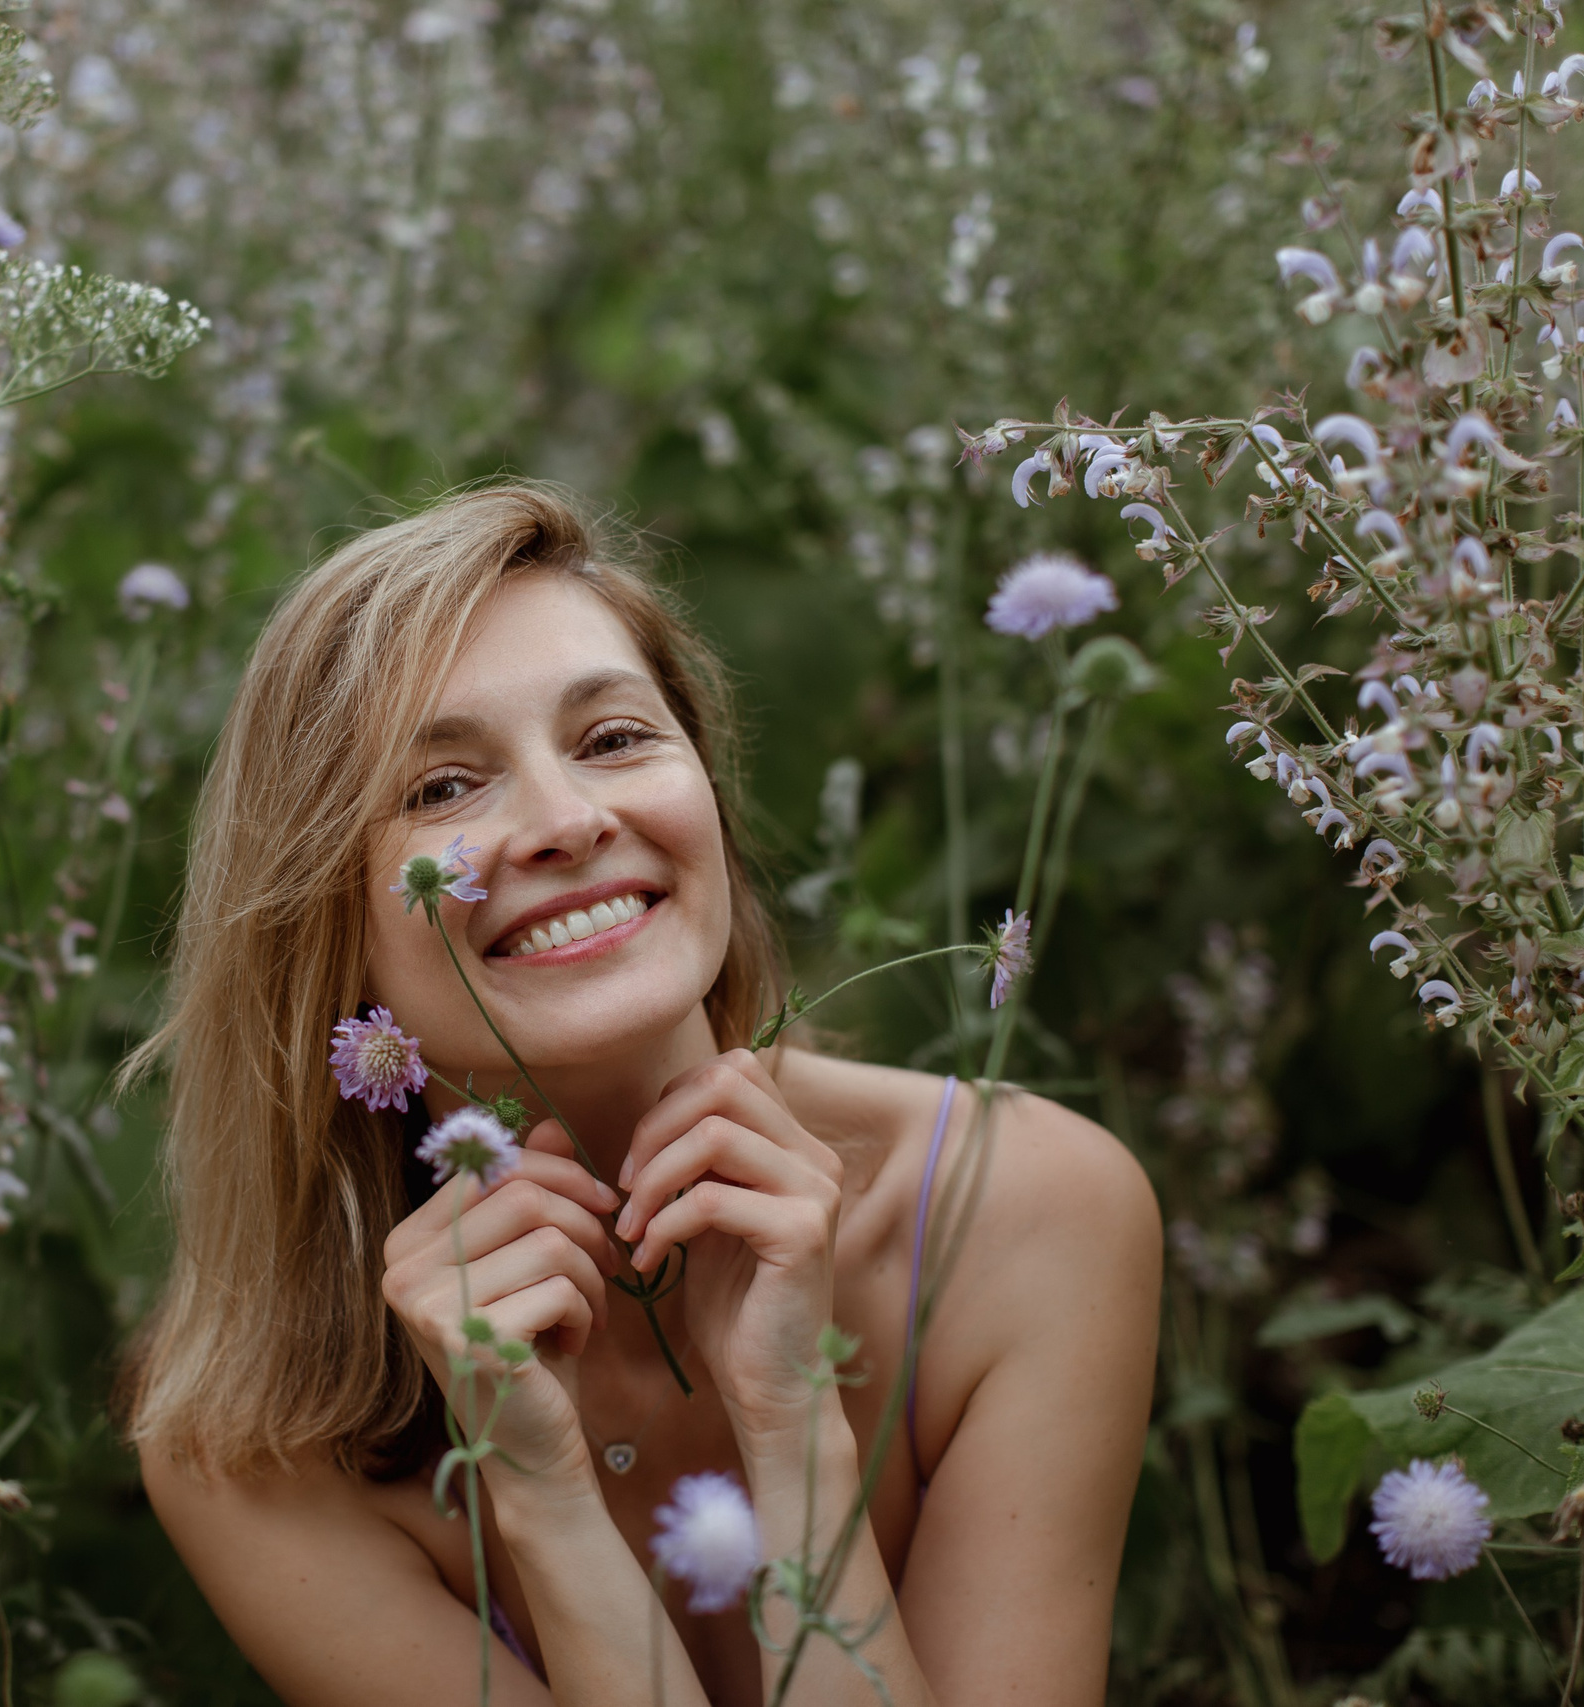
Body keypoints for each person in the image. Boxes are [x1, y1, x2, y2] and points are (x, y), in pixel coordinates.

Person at [124, 483, 1161, 1705]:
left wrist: (795, 1430)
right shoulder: (246, 1433)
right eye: (443, 787)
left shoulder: (1024, 1209)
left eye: (613, 740)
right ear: (317, 922)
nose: (566, 822)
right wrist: (546, 1503)